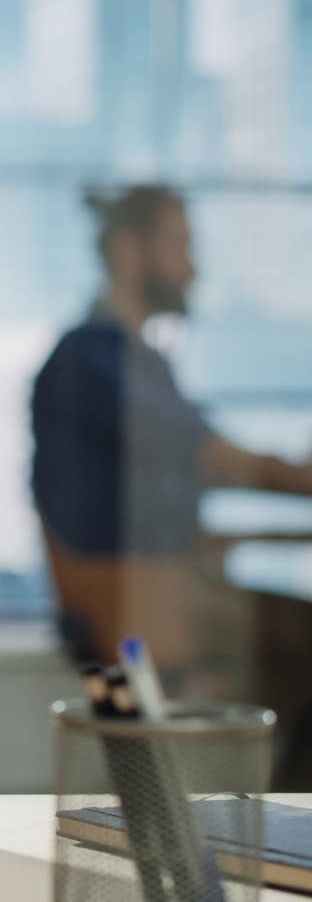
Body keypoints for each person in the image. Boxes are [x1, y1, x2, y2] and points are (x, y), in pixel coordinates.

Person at [30, 185, 312, 660]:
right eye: (179, 247)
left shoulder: (142, 362)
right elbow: (207, 456)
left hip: (165, 590)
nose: (193, 269)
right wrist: (296, 478)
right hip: (136, 605)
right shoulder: (91, 359)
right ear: (128, 251)